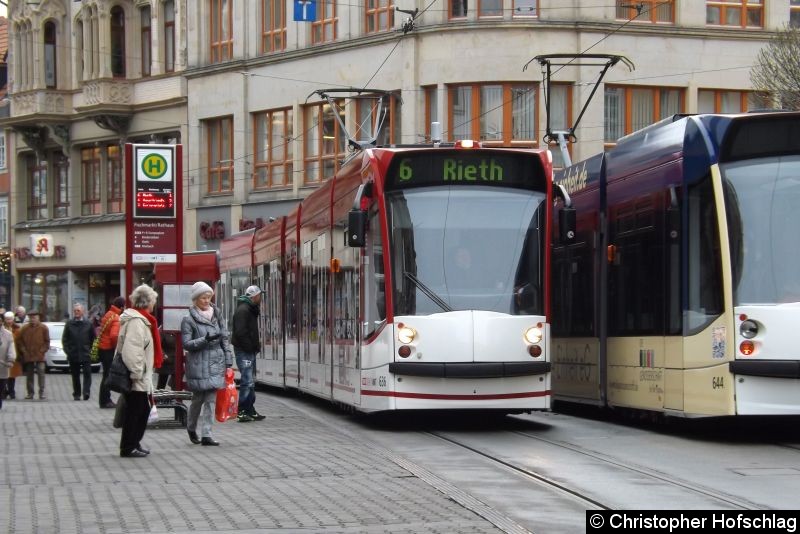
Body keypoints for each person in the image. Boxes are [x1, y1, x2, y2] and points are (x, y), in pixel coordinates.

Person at [181, 281, 233, 446]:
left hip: (215, 363)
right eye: (203, 297)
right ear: (195, 299)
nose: (206, 300)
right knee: (197, 400)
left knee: (211, 399)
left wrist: (229, 362)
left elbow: (224, 338)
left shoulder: (217, 315)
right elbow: (186, 344)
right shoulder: (188, 320)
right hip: (198, 364)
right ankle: (191, 426)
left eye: (208, 297)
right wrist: (205, 340)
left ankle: (207, 435)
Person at [118, 284, 161, 458]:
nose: (154, 304)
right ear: (147, 301)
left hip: (141, 373)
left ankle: (133, 443)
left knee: (140, 410)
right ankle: (129, 446)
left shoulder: (141, 320)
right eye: (153, 300)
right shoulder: (137, 322)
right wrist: (136, 374)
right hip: (137, 375)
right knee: (137, 411)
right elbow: (132, 350)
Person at [230, 285, 265, 422]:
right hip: (244, 351)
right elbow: (240, 332)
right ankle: (242, 410)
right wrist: (250, 347)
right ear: (254, 296)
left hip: (248, 350)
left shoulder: (248, 309)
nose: (261, 298)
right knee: (246, 381)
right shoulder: (244, 310)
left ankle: (250, 409)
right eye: (259, 296)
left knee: (250, 381)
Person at [62, 303, 96, 401]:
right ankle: (77, 393)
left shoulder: (88, 324)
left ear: (83, 312)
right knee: (75, 375)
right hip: (74, 353)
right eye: (75, 311)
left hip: (85, 353)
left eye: (78, 311)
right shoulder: (69, 324)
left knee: (87, 374)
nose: (76, 312)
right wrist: (68, 351)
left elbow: (93, 338)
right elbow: (65, 339)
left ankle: (86, 392)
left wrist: (90, 350)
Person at [97, 297, 125, 408]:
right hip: (108, 349)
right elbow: (114, 335)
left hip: (102, 348)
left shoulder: (108, 313)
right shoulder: (116, 318)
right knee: (107, 375)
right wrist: (116, 347)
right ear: (121, 307)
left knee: (105, 375)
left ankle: (103, 399)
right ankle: (105, 400)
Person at [16, 311, 49, 400]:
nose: (32, 319)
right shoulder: (24, 328)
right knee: (29, 374)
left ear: (38, 318)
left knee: (41, 371)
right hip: (28, 354)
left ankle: (41, 392)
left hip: (39, 355)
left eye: (34, 317)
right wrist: (23, 350)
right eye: (31, 317)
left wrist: (42, 350)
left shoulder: (43, 328)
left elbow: (47, 341)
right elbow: (19, 341)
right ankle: (30, 393)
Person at [2, 311, 21, 400]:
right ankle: (4, 392)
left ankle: (11, 391)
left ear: (13, 319)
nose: (8, 321)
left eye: (10, 319)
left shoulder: (17, 329)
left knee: (11, 376)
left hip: (13, 354)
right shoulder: (3, 329)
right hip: (2, 356)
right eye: (7, 319)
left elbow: (18, 341)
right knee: (3, 376)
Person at [0, 317, 16, 410]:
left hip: (2, 366)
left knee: (1, 388)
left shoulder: (7, 334)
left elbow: (11, 348)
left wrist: (10, 359)